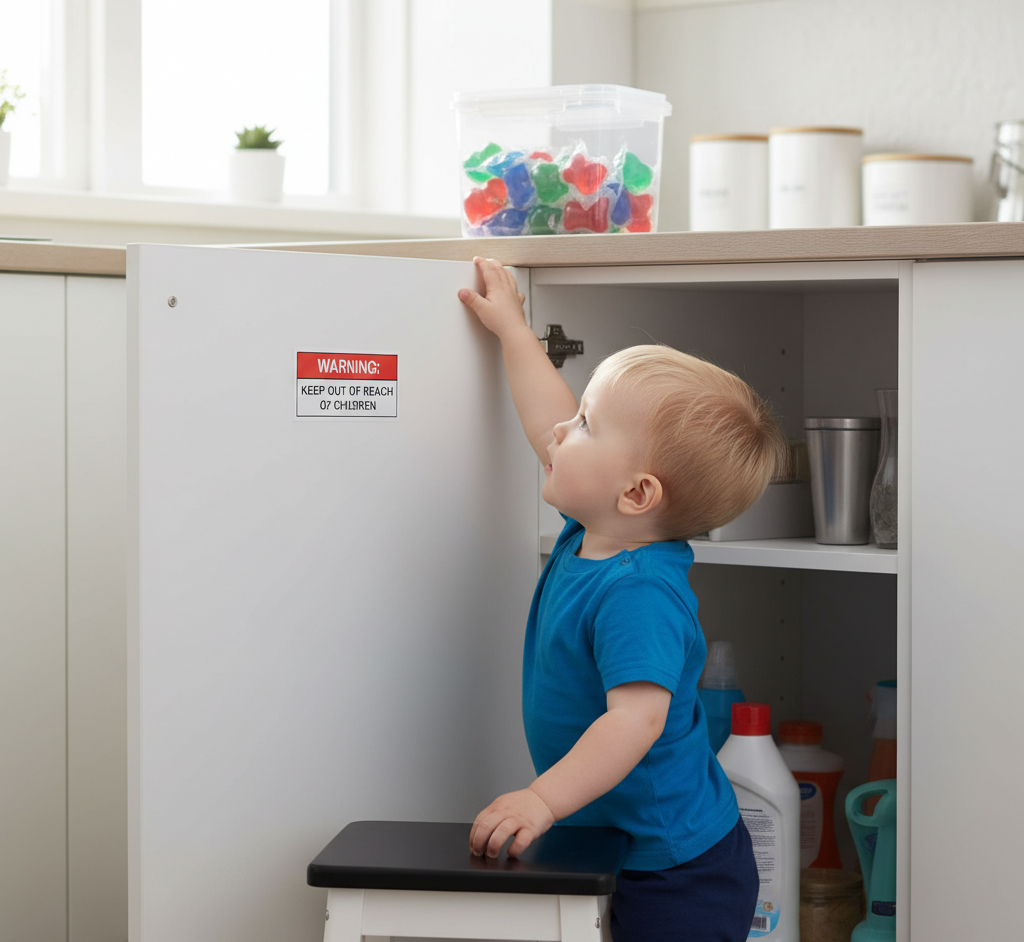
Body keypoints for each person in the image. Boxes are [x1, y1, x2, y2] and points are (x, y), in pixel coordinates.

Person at [457, 256, 788, 942]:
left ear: (636, 493)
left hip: (676, 866)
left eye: (584, 425)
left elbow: (633, 724)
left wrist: (541, 799)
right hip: (612, 841)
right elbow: (545, 419)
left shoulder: (639, 592)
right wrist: (514, 331)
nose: (559, 432)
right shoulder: (596, 527)